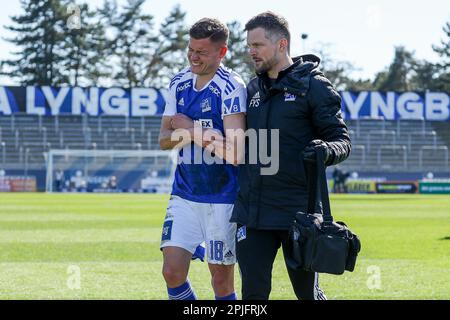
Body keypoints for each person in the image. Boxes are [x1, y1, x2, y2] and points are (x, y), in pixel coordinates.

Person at [230, 12, 351, 300]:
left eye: (257, 45)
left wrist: (326, 150)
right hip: (253, 214)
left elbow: (342, 140)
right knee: (252, 296)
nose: (251, 52)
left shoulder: (314, 85)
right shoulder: (251, 88)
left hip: (299, 212)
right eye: (249, 45)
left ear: (281, 44)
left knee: (307, 295)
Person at [158, 18, 247, 300]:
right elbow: (163, 140)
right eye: (191, 50)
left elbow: (236, 153)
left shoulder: (231, 87)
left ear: (221, 52)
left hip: (223, 197)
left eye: (202, 52)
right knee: (171, 272)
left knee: (220, 280)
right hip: (184, 193)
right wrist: (205, 136)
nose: (194, 57)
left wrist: (189, 128)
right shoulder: (178, 83)